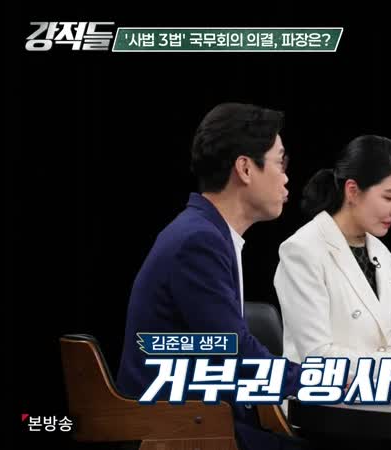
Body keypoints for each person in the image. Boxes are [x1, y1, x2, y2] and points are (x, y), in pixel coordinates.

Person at [116, 102, 302, 450]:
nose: (286, 176)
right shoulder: (198, 241)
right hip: (178, 432)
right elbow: (237, 354)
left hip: (201, 422)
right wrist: (324, 381)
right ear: (245, 168)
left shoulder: (205, 231)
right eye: (281, 162)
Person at [274, 135, 391, 382]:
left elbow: (387, 345)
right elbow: (316, 355)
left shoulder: (382, 253)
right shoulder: (302, 250)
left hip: (374, 393)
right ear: (352, 191)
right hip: (319, 396)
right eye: (388, 197)